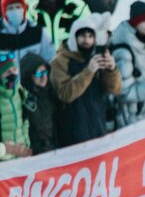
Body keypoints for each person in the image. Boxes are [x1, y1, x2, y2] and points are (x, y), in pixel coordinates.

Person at [51, 14, 120, 145]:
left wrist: (112, 69)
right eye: (82, 36)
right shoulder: (60, 61)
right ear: (74, 38)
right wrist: (89, 72)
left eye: (90, 36)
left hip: (98, 127)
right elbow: (65, 94)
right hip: (73, 132)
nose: (86, 40)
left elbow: (114, 89)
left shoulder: (96, 56)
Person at [109, 1, 145, 128]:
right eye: (144, 20)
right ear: (135, 22)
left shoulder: (139, 43)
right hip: (131, 116)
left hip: (142, 113)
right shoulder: (124, 51)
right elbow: (123, 91)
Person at [0, 52, 31, 155]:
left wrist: (26, 144)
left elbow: (25, 121)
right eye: (7, 72)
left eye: (14, 70)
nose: (12, 74)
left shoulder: (20, 92)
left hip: (22, 152)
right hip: (3, 157)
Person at [19, 53, 55, 154]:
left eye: (45, 72)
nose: (43, 77)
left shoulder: (52, 93)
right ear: (28, 76)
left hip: (55, 148)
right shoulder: (22, 98)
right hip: (35, 152)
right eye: (39, 74)